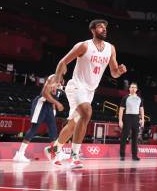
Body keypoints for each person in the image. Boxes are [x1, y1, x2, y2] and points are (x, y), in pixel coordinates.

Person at [48, 19, 127, 169]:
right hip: (77, 86)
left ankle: (53, 149)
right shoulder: (84, 45)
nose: (104, 29)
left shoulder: (111, 48)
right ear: (92, 30)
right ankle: (75, 156)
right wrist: (57, 80)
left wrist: (119, 71)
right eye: (100, 27)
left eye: (105, 27)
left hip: (90, 91)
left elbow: (114, 73)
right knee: (87, 112)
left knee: (73, 124)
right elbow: (62, 62)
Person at [13, 74, 64, 163]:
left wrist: (54, 108)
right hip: (41, 104)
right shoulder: (53, 78)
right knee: (34, 128)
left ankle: (55, 152)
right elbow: (45, 94)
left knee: (53, 130)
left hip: (49, 107)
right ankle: (20, 154)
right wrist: (57, 103)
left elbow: (54, 97)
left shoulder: (61, 81)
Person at [118, 82, 144, 161]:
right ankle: (122, 155)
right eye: (131, 87)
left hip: (136, 118)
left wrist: (142, 119)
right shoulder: (125, 98)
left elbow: (141, 109)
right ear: (129, 89)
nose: (133, 89)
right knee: (124, 137)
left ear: (136, 89)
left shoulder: (139, 98)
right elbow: (121, 109)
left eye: (134, 87)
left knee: (135, 138)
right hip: (127, 117)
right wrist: (120, 120)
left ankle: (134, 155)